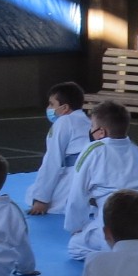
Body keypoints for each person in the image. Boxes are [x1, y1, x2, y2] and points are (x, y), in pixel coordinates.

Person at [66, 100, 138, 261]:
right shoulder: (135, 149)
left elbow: (77, 192)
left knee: (74, 246)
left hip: (112, 224)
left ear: (101, 132)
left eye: (92, 126)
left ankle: (108, 256)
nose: (90, 130)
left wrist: (75, 226)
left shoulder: (93, 149)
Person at [28, 82, 92, 217]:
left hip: (76, 176)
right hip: (94, 178)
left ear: (65, 108)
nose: (48, 108)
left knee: (30, 195)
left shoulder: (63, 122)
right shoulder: (89, 121)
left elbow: (52, 161)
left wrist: (41, 199)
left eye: (52, 104)